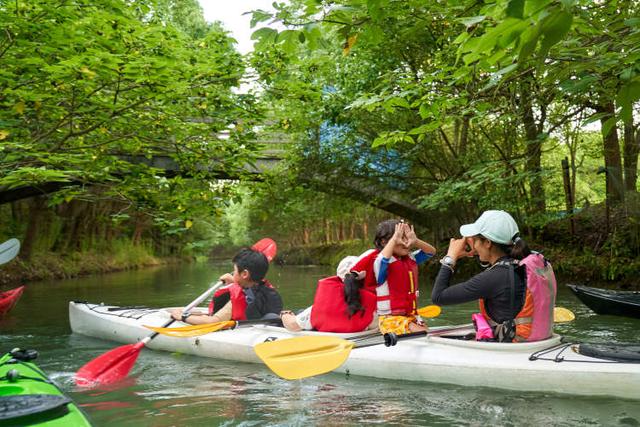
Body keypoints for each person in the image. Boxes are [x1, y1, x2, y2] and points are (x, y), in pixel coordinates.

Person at [431, 210, 557, 342]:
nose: (473, 245)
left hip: (515, 348)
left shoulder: (495, 277)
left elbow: (438, 296)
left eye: (475, 240)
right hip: (540, 341)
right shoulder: (523, 264)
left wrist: (450, 257)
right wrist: (479, 252)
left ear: (487, 243)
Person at [170, 248, 283, 324]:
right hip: (262, 324)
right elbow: (249, 286)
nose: (233, 273)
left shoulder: (239, 298)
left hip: (246, 333)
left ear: (244, 274)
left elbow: (214, 321)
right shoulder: (267, 289)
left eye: (234, 271)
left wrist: (183, 317)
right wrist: (234, 280)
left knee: (183, 312)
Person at [370, 220, 437, 335]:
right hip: (390, 320)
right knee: (425, 333)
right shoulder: (381, 264)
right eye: (400, 238)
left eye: (406, 238)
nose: (405, 242)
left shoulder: (411, 258)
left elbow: (431, 252)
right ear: (384, 242)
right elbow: (383, 259)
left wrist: (415, 241)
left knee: (427, 332)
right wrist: (394, 239)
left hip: (412, 316)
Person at [280, 256, 378, 333]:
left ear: (339, 277)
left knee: (292, 314)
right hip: (365, 339)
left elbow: (292, 325)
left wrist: (284, 314)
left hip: (326, 333)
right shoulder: (375, 305)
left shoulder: (321, 308)